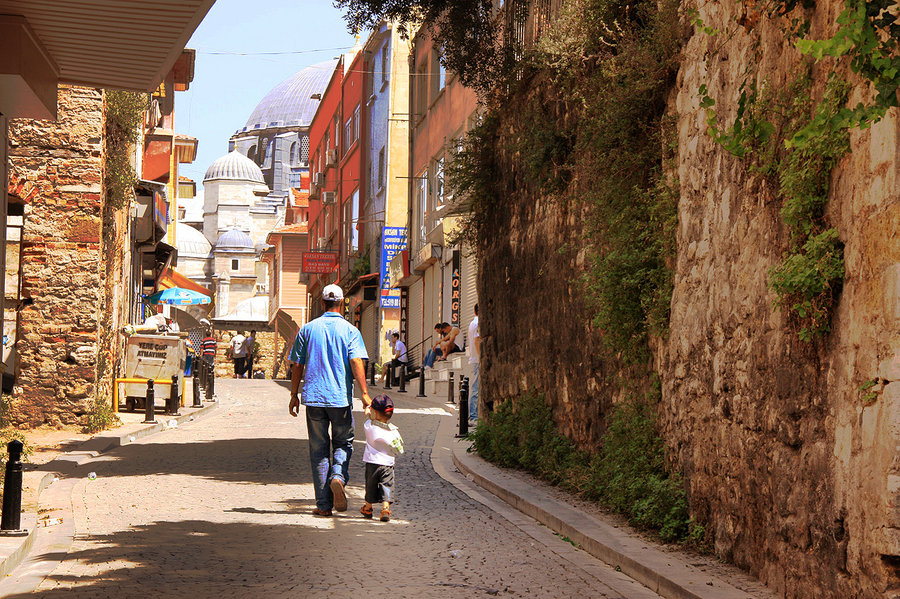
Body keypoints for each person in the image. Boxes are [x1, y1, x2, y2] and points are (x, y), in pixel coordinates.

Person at [289, 284, 371, 517]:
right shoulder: (350, 330)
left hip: (314, 398)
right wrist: (364, 394)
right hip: (340, 400)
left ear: (322, 303)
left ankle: (324, 506)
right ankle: (338, 476)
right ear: (342, 303)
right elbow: (356, 362)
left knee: (319, 450)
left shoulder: (307, 329)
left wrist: (294, 394)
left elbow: (297, 365)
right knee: (343, 443)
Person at [360, 394, 403, 522]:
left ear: (374, 412)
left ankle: (368, 508)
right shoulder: (393, 431)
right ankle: (385, 509)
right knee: (387, 485)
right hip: (388, 463)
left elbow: (369, 416)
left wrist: (368, 408)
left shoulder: (369, 427)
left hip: (372, 462)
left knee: (370, 485)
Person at [467, 304, 480, 423]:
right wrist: (481, 356)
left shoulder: (472, 323)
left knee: (475, 388)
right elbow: (477, 340)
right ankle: (473, 416)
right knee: (475, 388)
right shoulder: (478, 323)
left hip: (474, 358)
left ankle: (473, 414)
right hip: (477, 359)